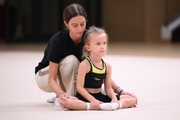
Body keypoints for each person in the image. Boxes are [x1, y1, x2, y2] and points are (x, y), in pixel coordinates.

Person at [34, 3, 137, 107]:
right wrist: (61, 94)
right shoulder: (58, 40)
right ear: (66, 24)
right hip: (45, 77)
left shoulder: (88, 38)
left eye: (82, 24)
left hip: (66, 77)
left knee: (95, 88)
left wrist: (120, 91)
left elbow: (101, 69)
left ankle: (68, 96)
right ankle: (65, 97)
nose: (80, 29)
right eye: (75, 25)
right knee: (72, 60)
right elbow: (51, 79)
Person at [59, 26, 137, 110]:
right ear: (88, 47)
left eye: (104, 43)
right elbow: (79, 87)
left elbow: (108, 88)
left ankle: (116, 105)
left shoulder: (107, 66)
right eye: (98, 44)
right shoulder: (85, 64)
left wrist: (114, 98)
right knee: (67, 102)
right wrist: (92, 100)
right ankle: (92, 106)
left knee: (132, 99)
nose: (102, 46)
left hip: (100, 96)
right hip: (86, 97)